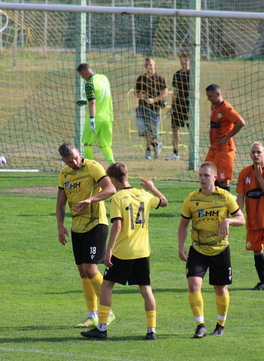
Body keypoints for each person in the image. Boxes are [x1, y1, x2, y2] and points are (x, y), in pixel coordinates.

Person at [81, 163, 168, 340]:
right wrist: (153, 188)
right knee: (146, 289)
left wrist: (109, 250)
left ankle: (102, 328)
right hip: (143, 251)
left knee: (106, 286)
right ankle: (151, 330)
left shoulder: (117, 198)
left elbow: (118, 225)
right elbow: (164, 202)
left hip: (123, 252)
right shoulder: (144, 194)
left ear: (113, 179)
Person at [178, 161, 245, 338]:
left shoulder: (225, 197)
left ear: (215, 177)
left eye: (206, 175)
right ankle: (200, 325)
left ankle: (220, 325)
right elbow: (183, 225)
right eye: (200, 175)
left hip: (220, 249)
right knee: (193, 285)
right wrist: (181, 246)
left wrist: (228, 221)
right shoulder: (191, 199)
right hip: (197, 250)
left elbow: (241, 218)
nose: (202, 178)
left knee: (220, 288)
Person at [56, 142, 117, 328]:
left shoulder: (92, 166)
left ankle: (108, 312)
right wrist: (60, 225)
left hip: (96, 224)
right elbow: (60, 203)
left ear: (78, 152)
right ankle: (92, 315)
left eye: (75, 157)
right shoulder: (64, 174)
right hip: (77, 227)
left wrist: (90, 199)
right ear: (63, 161)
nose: (74, 162)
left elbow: (110, 189)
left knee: (91, 270)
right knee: (83, 271)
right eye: (69, 161)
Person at [236, 142, 264, 291]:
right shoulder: (244, 173)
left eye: (259, 152)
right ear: (250, 155)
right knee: (256, 250)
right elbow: (241, 196)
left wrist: (259, 177)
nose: (256, 155)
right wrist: (237, 213)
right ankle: (263, 282)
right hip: (253, 218)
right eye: (253, 152)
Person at [204, 84, 245, 193]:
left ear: (218, 94)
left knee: (223, 180)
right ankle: (214, 201)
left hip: (224, 150)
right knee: (208, 174)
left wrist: (227, 137)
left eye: (210, 96)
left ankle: (226, 203)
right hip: (214, 149)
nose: (208, 99)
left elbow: (240, 122)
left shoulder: (226, 108)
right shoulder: (213, 106)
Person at [76, 63, 115, 164]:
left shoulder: (89, 83)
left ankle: (91, 166)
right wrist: (86, 101)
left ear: (84, 72)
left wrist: (92, 119)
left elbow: (93, 102)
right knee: (105, 145)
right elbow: (100, 97)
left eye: (81, 75)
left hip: (95, 118)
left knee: (87, 144)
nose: (82, 78)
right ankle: (112, 163)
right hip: (108, 117)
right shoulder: (104, 78)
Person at [134, 57, 169, 160]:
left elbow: (165, 93)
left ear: (154, 65)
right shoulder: (141, 78)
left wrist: (154, 100)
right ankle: (156, 145)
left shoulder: (160, 78)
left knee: (153, 131)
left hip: (154, 109)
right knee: (145, 131)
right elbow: (136, 93)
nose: (148, 67)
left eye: (150, 65)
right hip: (142, 108)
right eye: (146, 65)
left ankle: (149, 150)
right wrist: (142, 96)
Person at [165, 53, 191, 161]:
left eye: (186, 60)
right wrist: (172, 106)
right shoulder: (177, 74)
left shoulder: (192, 74)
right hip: (178, 105)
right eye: (182, 60)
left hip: (188, 105)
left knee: (191, 128)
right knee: (175, 128)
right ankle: (175, 153)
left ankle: (193, 153)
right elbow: (175, 91)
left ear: (189, 61)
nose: (183, 62)